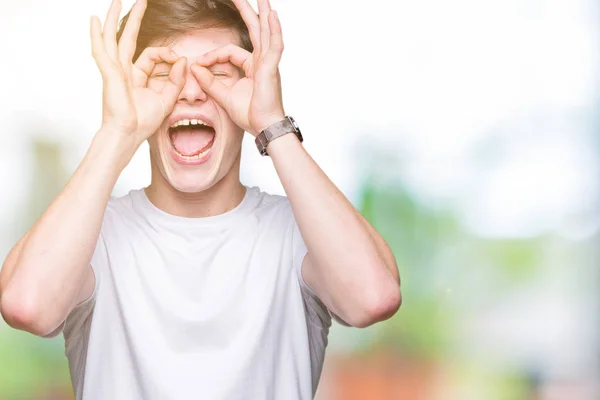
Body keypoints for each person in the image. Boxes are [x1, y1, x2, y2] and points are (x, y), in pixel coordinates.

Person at [0, 0, 401, 398]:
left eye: (218, 72)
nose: (190, 91)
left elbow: (373, 298)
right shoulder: (91, 239)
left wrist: (272, 124)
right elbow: (26, 305)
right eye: (163, 73)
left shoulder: (300, 235)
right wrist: (117, 132)